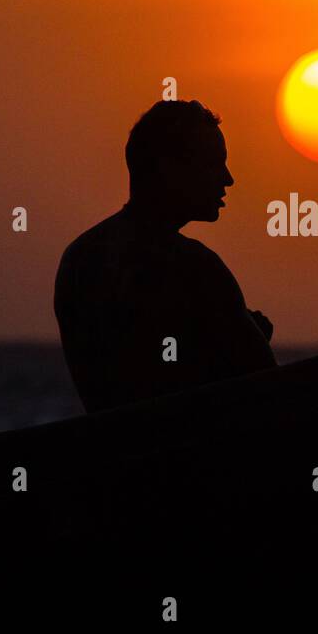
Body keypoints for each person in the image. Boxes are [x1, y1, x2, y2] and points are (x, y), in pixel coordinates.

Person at [54, 100, 275, 413]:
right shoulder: (194, 267)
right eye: (213, 163)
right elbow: (265, 386)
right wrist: (247, 339)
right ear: (169, 168)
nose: (227, 179)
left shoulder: (79, 258)